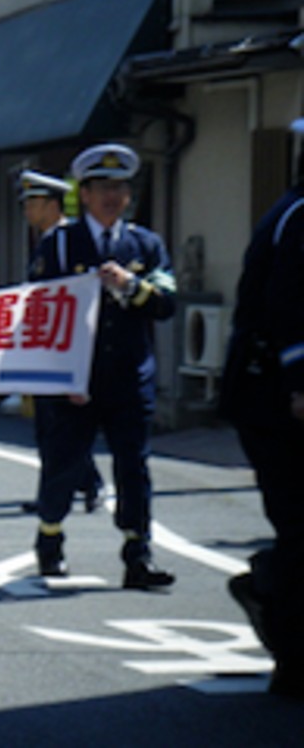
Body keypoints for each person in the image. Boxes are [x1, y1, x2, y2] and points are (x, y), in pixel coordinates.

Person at [29, 143, 176, 590]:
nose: (111, 196)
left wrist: (132, 286)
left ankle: (138, 553)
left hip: (130, 377)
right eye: (101, 188)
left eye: (119, 188)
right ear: (84, 194)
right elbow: (38, 309)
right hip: (75, 380)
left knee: (134, 465)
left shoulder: (145, 244)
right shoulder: (58, 242)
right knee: (65, 464)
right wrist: (60, 374)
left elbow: (166, 302)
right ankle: (50, 539)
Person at [219, 147, 304, 700]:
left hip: (268, 392)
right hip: (277, 397)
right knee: (300, 526)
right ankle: (289, 647)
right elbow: (290, 306)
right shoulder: (298, 216)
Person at [17, 169, 104, 514]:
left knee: (60, 426)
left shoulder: (68, 241)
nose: (27, 212)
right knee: (49, 426)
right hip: (46, 347)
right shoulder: (48, 242)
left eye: (33, 204)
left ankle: (79, 486)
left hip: (64, 350)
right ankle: (69, 487)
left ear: (52, 205)